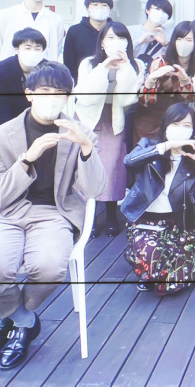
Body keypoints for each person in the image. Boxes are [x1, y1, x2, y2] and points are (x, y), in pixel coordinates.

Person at [0, 61, 105, 369]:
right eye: (44, 91)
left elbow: (94, 189)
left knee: (48, 267)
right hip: (5, 211)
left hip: (53, 211)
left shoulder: (80, 133)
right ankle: (22, 320)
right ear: (29, 93)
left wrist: (86, 148)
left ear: (68, 97)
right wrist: (26, 160)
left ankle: (10, 319)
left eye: (60, 92)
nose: (52, 98)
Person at [118, 102, 195, 295]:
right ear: (165, 125)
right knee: (151, 255)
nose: (180, 129)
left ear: (193, 129)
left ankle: (154, 270)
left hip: (181, 225)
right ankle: (142, 260)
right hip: (147, 222)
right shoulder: (149, 146)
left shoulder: (194, 156)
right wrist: (166, 146)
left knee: (173, 285)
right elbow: (129, 161)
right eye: (175, 124)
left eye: (186, 125)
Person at [71, 20, 141, 236]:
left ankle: (110, 214)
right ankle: (88, 217)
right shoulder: (88, 63)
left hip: (114, 117)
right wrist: (103, 67)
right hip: (88, 116)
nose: (116, 42)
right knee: (86, 165)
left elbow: (128, 98)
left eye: (121, 38)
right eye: (110, 37)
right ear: (101, 42)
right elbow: (86, 97)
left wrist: (125, 66)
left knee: (112, 167)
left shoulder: (136, 64)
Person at [130, 22, 195, 153]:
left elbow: (190, 98)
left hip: (177, 119)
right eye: (179, 39)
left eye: (189, 40)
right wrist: (151, 79)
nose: (183, 43)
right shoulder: (161, 61)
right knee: (146, 154)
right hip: (150, 117)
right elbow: (145, 101)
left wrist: (185, 81)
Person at [0, 27, 47, 127]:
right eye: (27, 48)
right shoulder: (0, 70)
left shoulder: (49, 70)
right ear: (16, 50)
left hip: (41, 122)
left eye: (37, 49)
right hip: (8, 123)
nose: (32, 52)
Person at [61, 0, 114, 79]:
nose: (100, 8)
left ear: (110, 10)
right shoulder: (75, 31)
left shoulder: (116, 31)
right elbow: (69, 62)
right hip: (82, 81)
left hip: (111, 81)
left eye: (104, 5)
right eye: (95, 5)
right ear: (87, 9)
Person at [133, 0, 175, 66]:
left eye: (165, 11)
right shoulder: (131, 31)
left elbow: (176, 58)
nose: (161, 14)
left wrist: (165, 44)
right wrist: (139, 42)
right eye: (157, 9)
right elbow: (121, 52)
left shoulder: (171, 33)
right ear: (147, 10)